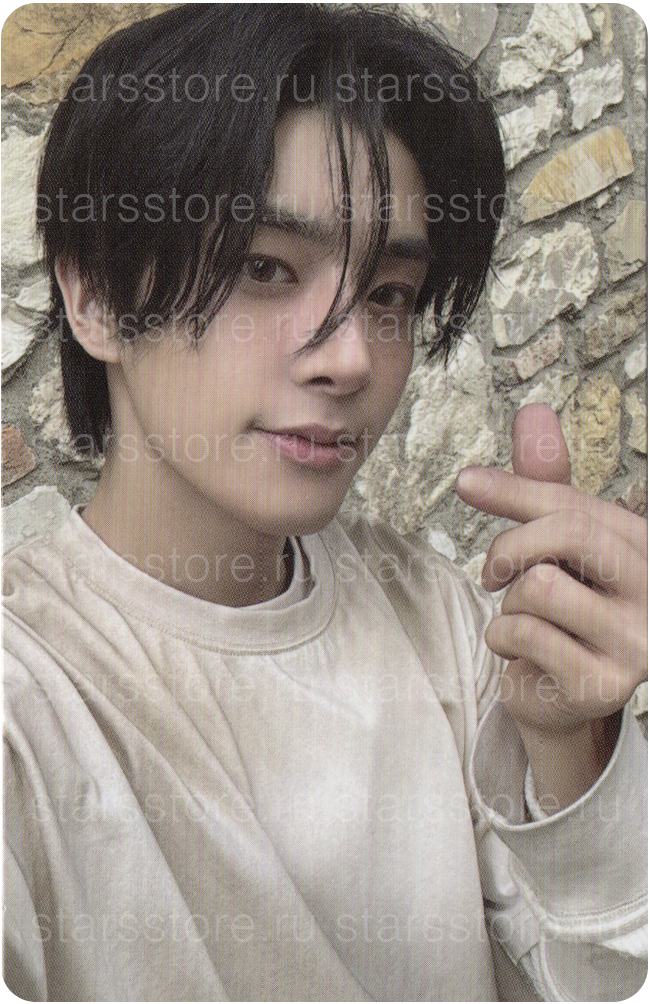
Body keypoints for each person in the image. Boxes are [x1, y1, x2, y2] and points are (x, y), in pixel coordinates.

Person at [3, 4, 646, 1001]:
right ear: (94, 298)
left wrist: (571, 745)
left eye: (389, 294)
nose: (350, 358)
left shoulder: (449, 625)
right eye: (263, 268)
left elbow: (595, 975)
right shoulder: (30, 702)